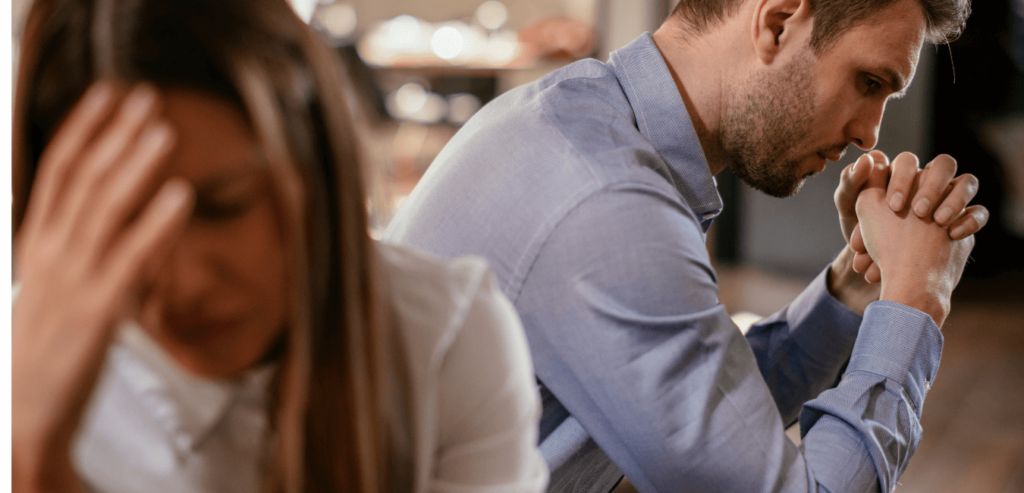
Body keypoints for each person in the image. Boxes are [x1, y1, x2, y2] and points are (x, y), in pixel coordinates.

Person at [382, 0, 989, 491]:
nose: (869, 132)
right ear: (777, 23)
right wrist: (917, 302)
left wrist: (864, 287)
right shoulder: (609, 200)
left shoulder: (582, 120)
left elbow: (707, 411)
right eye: (869, 81)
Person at [10, 0, 548, 492]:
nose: (187, 280)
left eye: (225, 206)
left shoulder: (443, 341)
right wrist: (34, 458)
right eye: (127, 225)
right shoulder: (22, 370)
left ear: (313, 170)